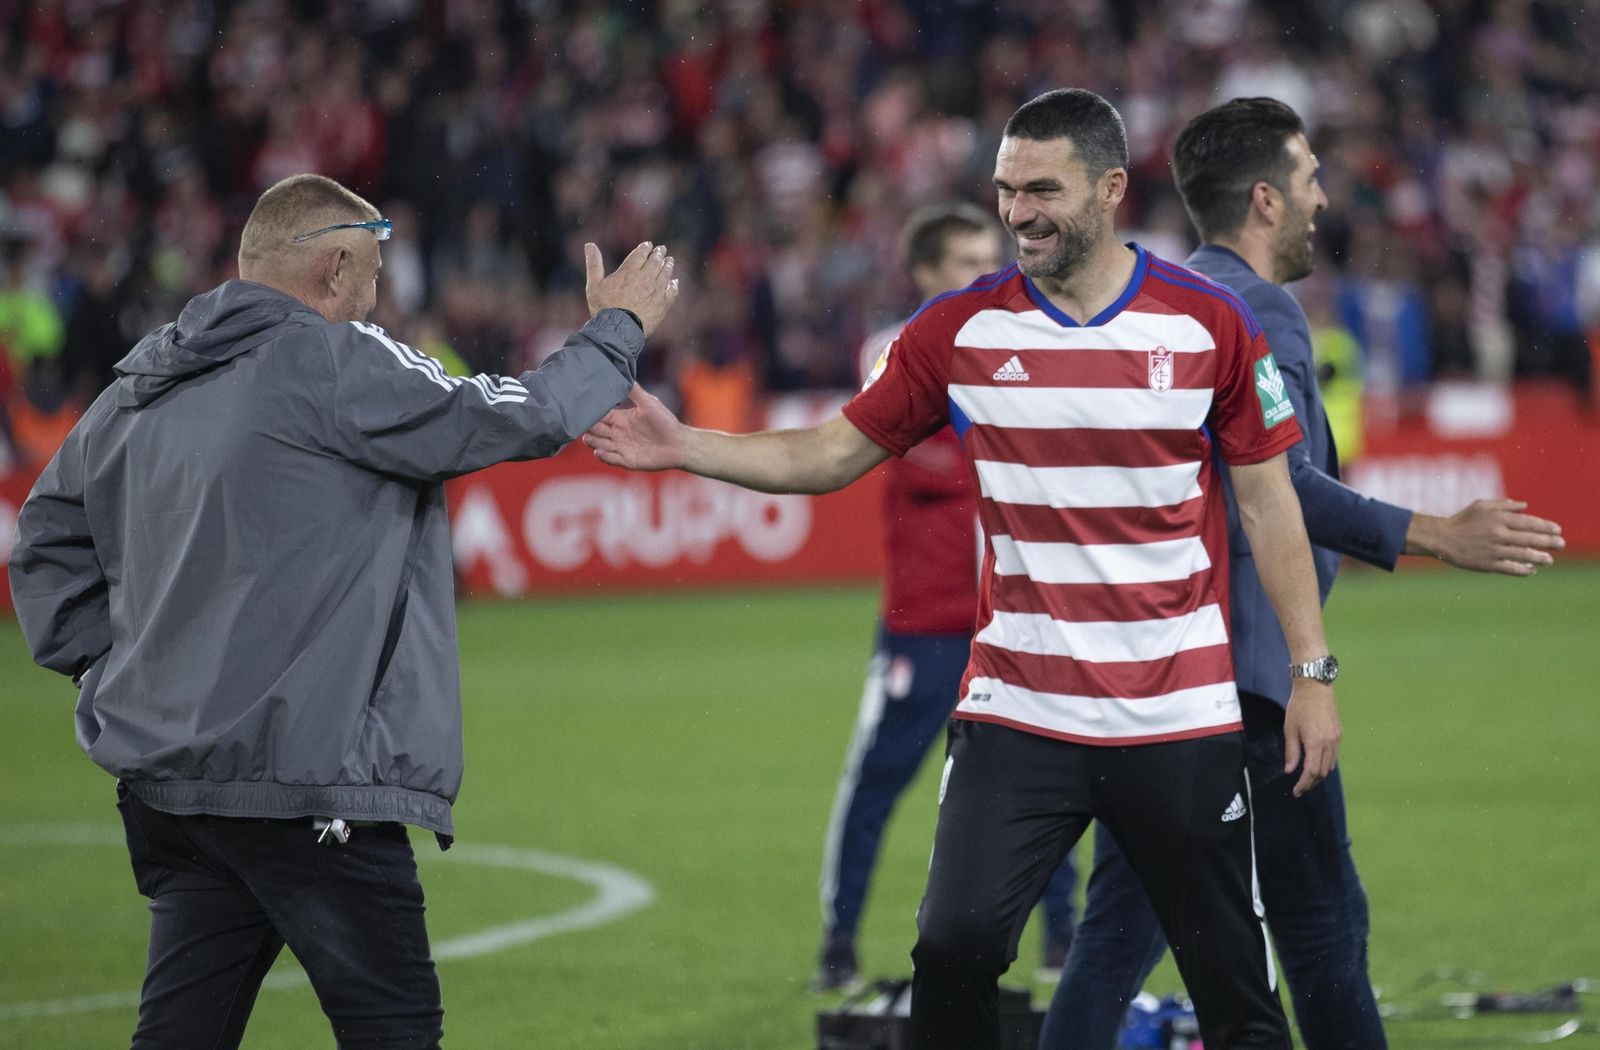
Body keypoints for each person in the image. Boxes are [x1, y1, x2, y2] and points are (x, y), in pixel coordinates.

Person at [586, 88, 1341, 1050]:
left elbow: (1272, 505)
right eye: (1004, 188)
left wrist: (1311, 672)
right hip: (1020, 715)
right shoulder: (958, 332)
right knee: (950, 950)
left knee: (1238, 1001)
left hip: (1178, 718)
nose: (1016, 211)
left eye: (1041, 189)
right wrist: (684, 443)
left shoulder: (1209, 324)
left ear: (1111, 189)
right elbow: (829, 453)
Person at [8, 173, 678, 1050]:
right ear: (332, 268)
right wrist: (617, 329)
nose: (376, 299)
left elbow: (44, 541)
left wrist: (108, 669)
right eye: (370, 273)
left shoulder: (140, 382)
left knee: (179, 1035)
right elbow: (524, 415)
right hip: (309, 788)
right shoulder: (334, 359)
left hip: (175, 788)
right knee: (397, 1032)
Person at [1039, 97, 1565, 1050]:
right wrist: (1437, 533)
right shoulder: (1258, 311)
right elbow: (1280, 483)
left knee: (1117, 936)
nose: (1327, 198)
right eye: (1313, 178)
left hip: (1150, 681)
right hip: (1249, 685)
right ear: (1268, 201)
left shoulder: (1160, 307)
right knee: (1320, 930)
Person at [815, 203, 1079, 994]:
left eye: (986, 256)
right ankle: (838, 942)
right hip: (922, 626)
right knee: (876, 786)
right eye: (964, 259)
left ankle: (1063, 938)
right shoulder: (893, 350)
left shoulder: (1014, 341)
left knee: (1050, 780)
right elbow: (918, 452)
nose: (982, 271)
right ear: (924, 273)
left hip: (1011, 620)